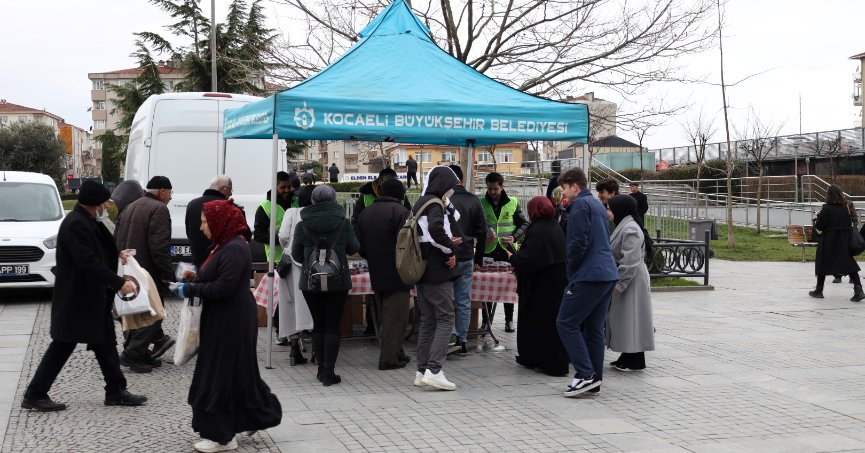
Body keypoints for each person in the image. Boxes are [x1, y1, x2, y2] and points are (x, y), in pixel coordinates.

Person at [21, 180, 146, 412]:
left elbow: (101, 247)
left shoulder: (90, 220)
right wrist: (119, 282)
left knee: (105, 342)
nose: (107, 207)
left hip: (92, 298)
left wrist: (116, 253)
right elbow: (87, 261)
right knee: (63, 344)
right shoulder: (75, 224)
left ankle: (116, 390)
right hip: (77, 299)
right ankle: (35, 393)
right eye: (104, 204)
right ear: (95, 204)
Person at [173, 199, 282, 452]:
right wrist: (196, 276)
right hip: (224, 318)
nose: (201, 228)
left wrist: (189, 288)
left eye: (204, 222)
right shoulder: (224, 245)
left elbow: (224, 287)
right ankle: (252, 417)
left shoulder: (234, 248)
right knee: (236, 373)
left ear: (220, 222)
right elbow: (218, 276)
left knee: (219, 375)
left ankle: (223, 435)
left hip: (231, 321)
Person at [556, 167, 618, 397]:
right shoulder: (597, 205)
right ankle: (594, 378)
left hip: (589, 274)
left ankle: (584, 374)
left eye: (565, 188)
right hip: (606, 273)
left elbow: (578, 242)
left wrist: (571, 273)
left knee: (566, 323)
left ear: (574, 186)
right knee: (593, 329)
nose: (564, 193)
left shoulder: (580, 205)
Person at [291, 186, 360, 386]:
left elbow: (296, 255)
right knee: (332, 325)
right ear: (334, 199)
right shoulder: (343, 223)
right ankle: (329, 371)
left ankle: (321, 368)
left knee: (318, 324)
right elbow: (354, 247)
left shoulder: (302, 225)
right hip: (338, 282)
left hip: (310, 282)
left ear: (313, 200)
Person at [115, 175, 175, 373]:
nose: (171, 197)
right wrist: (167, 273)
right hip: (147, 271)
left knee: (135, 311)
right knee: (153, 313)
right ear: (163, 191)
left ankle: (139, 353)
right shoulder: (159, 209)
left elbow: (116, 238)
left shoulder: (130, 206)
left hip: (129, 269)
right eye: (170, 193)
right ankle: (132, 354)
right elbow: (159, 246)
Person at [507, 196, 569, 376]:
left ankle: (544, 362)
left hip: (541, 286)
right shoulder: (553, 226)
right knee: (549, 325)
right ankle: (543, 360)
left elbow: (528, 261)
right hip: (555, 283)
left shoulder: (538, 230)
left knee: (540, 325)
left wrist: (512, 257)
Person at [412, 166, 461, 391]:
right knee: (446, 318)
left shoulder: (420, 202)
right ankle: (434, 370)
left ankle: (421, 371)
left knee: (428, 321)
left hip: (421, 267)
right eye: (450, 186)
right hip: (435, 267)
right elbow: (435, 230)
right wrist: (451, 250)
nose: (451, 191)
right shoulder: (435, 204)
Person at [355, 179, 413, 369]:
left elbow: (359, 246)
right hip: (397, 273)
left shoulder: (366, 213)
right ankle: (388, 360)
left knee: (385, 317)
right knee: (396, 319)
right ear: (400, 195)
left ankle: (398, 353)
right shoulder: (401, 212)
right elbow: (406, 245)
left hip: (376, 271)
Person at [606, 195, 655, 371]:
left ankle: (634, 359)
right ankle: (628, 355)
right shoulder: (625, 226)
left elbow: (631, 261)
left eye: (610, 209)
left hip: (632, 280)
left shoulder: (630, 229)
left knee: (632, 319)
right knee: (628, 319)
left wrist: (619, 283)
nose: (608, 212)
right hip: (630, 278)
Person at [480, 172, 528, 333]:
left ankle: (509, 320)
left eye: (495, 189)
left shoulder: (513, 202)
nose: (492, 192)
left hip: (507, 250)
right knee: (486, 287)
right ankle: (486, 322)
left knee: (508, 285)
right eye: (489, 189)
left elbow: (525, 224)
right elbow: (477, 225)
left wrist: (514, 237)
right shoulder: (481, 202)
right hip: (489, 250)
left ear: (502, 186)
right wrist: (485, 232)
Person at [447, 164, 486, 354]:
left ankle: (446, 338)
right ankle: (461, 340)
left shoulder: (443, 200)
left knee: (446, 299)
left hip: (446, 257)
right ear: (462, 179)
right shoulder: (473, 200)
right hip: (467, 255)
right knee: (463, 300)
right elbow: (483, 231)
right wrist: (479, 257)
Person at [276, 188, 315, 366]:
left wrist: (288, 248)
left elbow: (283, 235)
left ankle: (294, 348)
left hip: (291, 265)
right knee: (313, 306)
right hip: (312, 265)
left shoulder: (292, 212)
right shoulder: (317, 215)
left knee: (289, 307)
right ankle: (316, 351)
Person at [810, 184, 864, 301]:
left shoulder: (827, 209)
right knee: (849, 264)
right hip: (844, 240)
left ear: (829, 195)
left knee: (822, 263)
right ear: (840, 194)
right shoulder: (846, 207)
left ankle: (819, 290)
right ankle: (858, 290)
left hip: (829, 240)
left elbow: (820, 226)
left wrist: (819, 216)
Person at [186, 175, 235, 269]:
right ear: (222, 189)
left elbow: (189, 232)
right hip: (221, 265)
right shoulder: (230, 208)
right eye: (230, 189)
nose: (231, 194)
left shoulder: (192, 205)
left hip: (198, 263)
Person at [254, 171, 294, 265]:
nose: (287, 190)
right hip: (276, 260)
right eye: (283, 187)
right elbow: (258, 235)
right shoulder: (265, 207)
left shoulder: (297, 201)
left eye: (289, 187)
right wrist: (282, 239)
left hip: (296, 258)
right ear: (274, 187)